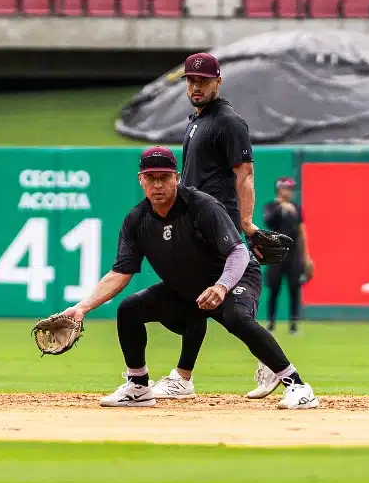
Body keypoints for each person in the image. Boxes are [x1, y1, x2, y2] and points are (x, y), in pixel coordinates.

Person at [56, 146, 319, 410]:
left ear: (177, 177)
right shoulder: (136, 220)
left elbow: (238, 252)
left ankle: (297, 385)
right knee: (129, 309)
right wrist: (82, 307)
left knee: (236, 317)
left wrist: (222, 286)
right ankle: (138, 387)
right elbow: (120, 273)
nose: (157, 184)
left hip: (235, 277)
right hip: (189, 287)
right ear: (140, 180)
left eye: (164, 177)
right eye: (151, 178)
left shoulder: (202, 206)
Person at [144, 52, 281, 402]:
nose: (196, 86)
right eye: (191, 80)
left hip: (218, 224)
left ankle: (186, 377)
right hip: (196, 225)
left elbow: (244, 174)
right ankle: (195, 374)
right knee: (200, 299)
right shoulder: (197, 121)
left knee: (207, 299)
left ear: (218, 82)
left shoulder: (228, 122)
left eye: (203, 81)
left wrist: (246, 224)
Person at [262, 176, 313, 334]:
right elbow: (268, 221)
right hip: (276, 253)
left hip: (293, 255)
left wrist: (306, 257)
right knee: (274, 288)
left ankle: (293, 325)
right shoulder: (271, 206)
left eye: (291, 189)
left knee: (294, 288)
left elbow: (302, 231)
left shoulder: (296, 208)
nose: (289, 192)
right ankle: (271, 323)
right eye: (286, 188)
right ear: (279, 189)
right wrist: (281, 208)